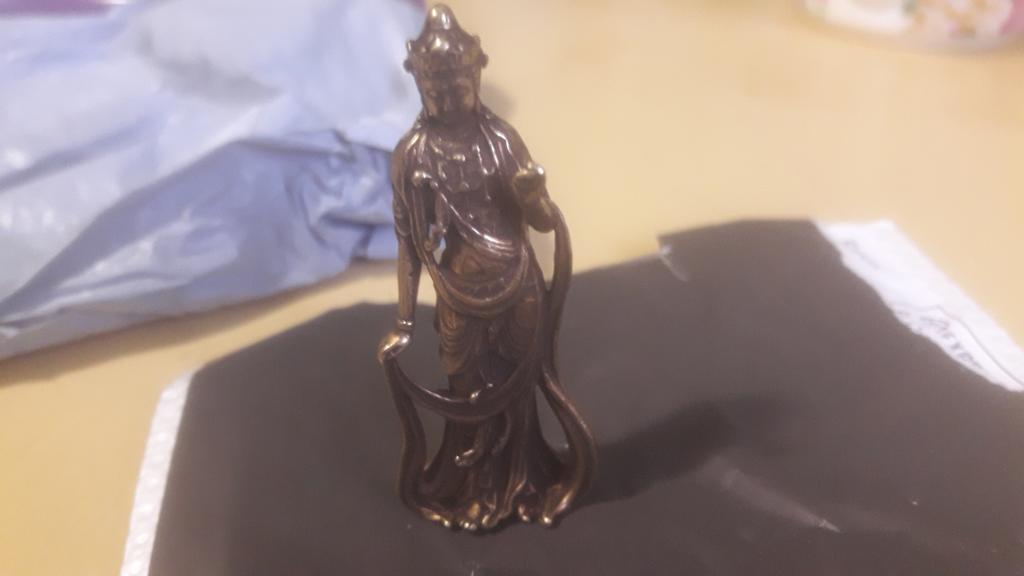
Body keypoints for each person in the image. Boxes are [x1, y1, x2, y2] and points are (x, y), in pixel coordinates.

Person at [377, 4, 596, 531]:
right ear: (421, 86)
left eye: (458, 86)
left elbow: (539, 221)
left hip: (516, 280)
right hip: (458, 289)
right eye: (437, 90)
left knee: (518, 394)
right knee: (467, 392)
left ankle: (524, 482)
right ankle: (473, 488)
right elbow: (409, 245)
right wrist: (404, 322)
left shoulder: (500, 142)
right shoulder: (413, 154)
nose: (449, 99)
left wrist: (534, 196)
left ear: (476, 77)